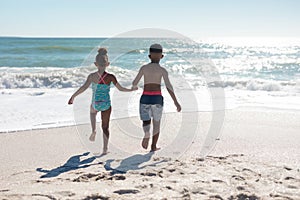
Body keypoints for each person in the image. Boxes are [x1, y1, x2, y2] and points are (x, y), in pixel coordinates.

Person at [68, 48, 135, 154]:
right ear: (108, 64)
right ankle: (105, 149)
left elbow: (83, 88)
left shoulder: (92, 76)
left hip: (95, 103)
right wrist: (131, 89)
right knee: (105, 127)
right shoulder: (111, 77)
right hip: (106, 104)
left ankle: (93, 130)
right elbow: (121, 89)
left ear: (95, 64)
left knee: (92, 113)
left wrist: (73, 96)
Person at [132, 44, 181, 152]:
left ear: (149, 56)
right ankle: (153, 146)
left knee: (146, 120)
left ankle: (146, 133)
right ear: (162, 56)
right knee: (157, 123)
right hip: (157, 98)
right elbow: (169, 87)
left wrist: (135, 86)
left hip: (145, 97)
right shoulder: (163, 70)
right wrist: (176, 102)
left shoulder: (144, 68)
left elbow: (134, 82)